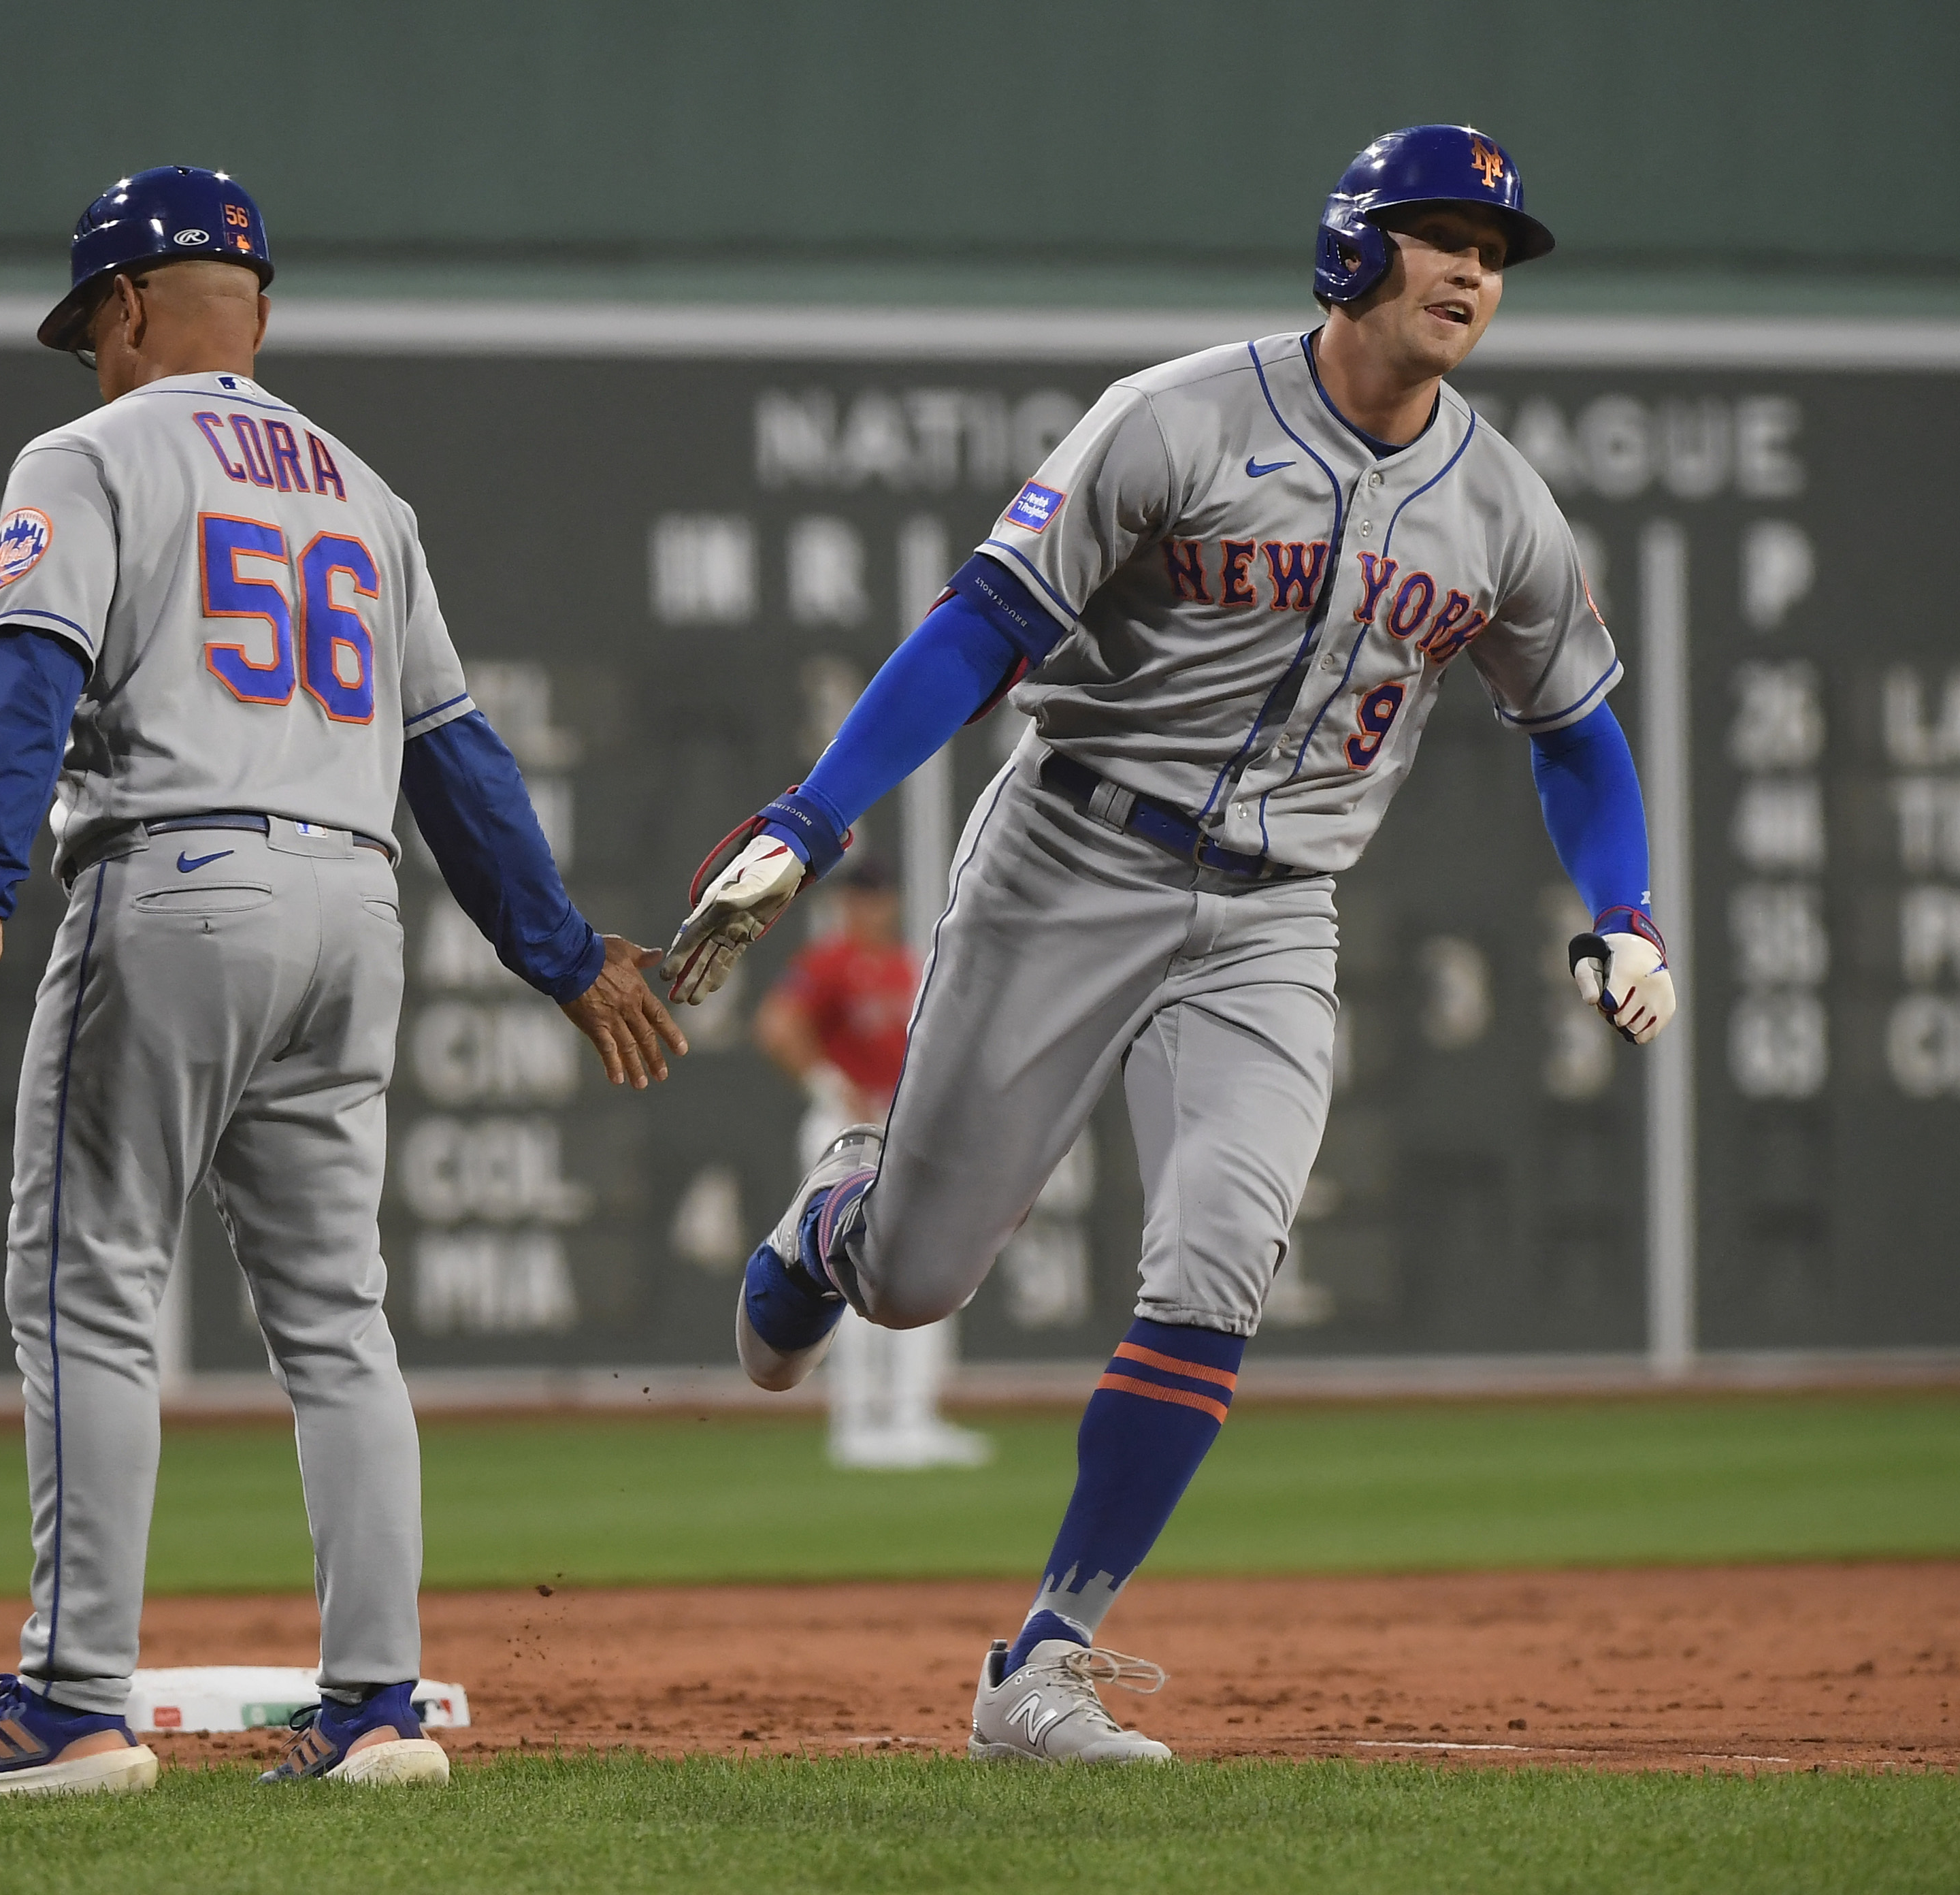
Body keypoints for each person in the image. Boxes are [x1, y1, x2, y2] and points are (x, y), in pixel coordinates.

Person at [664, 125, 1673, 1764]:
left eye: (1491, 249)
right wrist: (812, 817)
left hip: (1275, 912)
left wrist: (1620, 914)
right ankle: (843, 1217)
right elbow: (983, 624)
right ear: (1352, 252)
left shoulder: (1500, 508)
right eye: (1437, 234)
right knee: (920, 1286)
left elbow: (1571, 729)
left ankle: (1041, 1661)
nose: (1472, 269)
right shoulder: (1174, 418)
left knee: (1216, 1261)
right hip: (1074, 849)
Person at [0, 166, 683, 1796]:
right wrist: (558, 951)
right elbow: (455, 755)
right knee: (333, 1317)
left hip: (174, 876)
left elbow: (31, 672)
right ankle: (375, 1705)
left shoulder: (87, 453)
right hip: (350, 903)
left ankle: (72, 1700)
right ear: (263, 310)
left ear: (118, 308)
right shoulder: (361, 491)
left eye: (82, 325)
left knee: (85, 1283)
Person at [752, 859, 990, 1470]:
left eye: (877, 897)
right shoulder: (830, 961)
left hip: (898, 1127)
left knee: (922, 1267)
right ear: (845, 905)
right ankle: (856, 1423)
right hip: (847, 1130)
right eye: (859, 898)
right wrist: (830, 1085)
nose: (869, 909)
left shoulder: (903, 965)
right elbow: (776, 1025)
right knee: (847, 1270)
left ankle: (912, 1415)